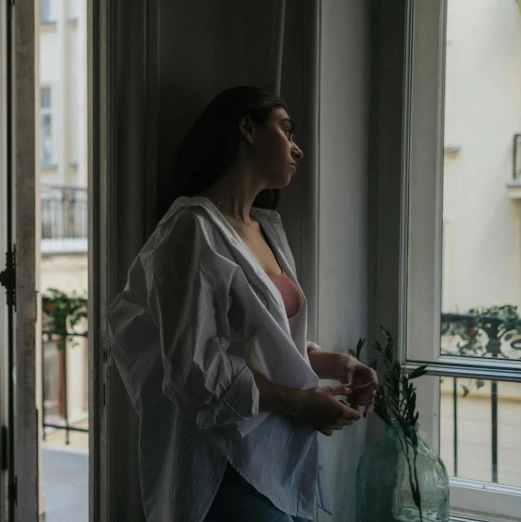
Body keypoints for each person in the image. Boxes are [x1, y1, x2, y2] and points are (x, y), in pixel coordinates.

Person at [106, 86, 378, 522]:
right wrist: (300, 402)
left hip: (278, 456)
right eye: (286, 131)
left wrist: (334, 363)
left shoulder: (264, 227)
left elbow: (260, 341)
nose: (298, 149)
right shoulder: (193, 230)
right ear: (247, 129)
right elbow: (194, 375)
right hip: (226, 461)